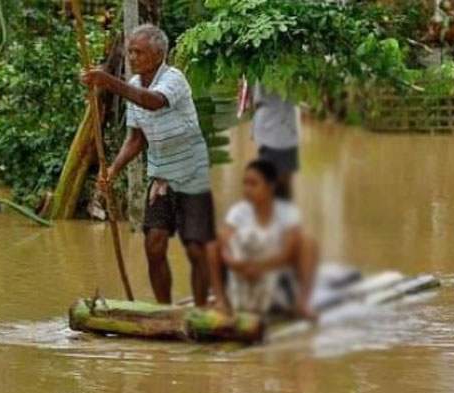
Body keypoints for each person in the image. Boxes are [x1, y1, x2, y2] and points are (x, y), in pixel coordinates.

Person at [81, 24, 215, 306]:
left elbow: (153, 102)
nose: (131, 57)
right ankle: (164, 312)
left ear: (157, 55)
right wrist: (112, 171)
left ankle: (204, 309)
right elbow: (136, 140)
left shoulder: (173, 79)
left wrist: (108, 81)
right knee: (154, 245)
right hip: (162, 176)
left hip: (191, 174)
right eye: (129, 51)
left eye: (138, 52)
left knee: (196, 247)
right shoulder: (136, 88)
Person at [207, 160, 317, 319]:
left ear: (270, 186)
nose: (247, 189)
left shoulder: (287, 212)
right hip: (241, 271)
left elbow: (286, 253)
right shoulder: (239, 211)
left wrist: (258, 267)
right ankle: (221, 301)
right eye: (245, 183)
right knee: (212, 244)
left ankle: (302, 304)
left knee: (308, 243)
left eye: (253, 184)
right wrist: (236, 264)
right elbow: (224, 245)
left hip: (274, 272)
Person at [251, 83, 300, 199]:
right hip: (285, 131)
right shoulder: (295, 71)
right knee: (283, 186)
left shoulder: (259, 70)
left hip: (270, 131)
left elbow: (257, 102)